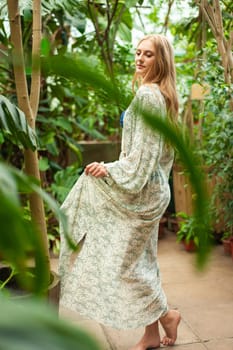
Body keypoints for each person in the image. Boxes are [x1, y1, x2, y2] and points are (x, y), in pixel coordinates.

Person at [59, 34, 181, 349]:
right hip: (148, 192)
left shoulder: (150, 96)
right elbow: (145, 155)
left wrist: (109, 169)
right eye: (138, 53)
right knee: (140, 263)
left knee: (126, 267)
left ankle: (167, 316)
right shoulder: (153, 95)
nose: (140, 59)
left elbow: (142, 158)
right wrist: (114, 167)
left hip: (142, 195)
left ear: (161, 60)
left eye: (148, 55)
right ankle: (155, 330)